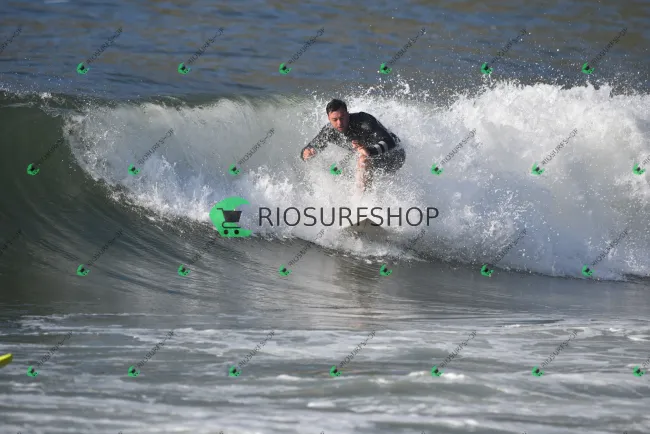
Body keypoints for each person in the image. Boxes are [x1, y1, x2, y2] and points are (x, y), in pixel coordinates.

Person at [300, 99, 406, 191]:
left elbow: (390, 142)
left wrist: (369, 150)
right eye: (335, 120)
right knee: (348, 170)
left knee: (363, 160)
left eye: (342, 118)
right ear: (329, 118)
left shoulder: (364, 121)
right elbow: (309, 148)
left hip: (394, 155)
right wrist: (306, 153)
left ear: (347, 114)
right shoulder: (330, 131)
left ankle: (361, 202)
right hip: (372, 157)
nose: (339, 123)